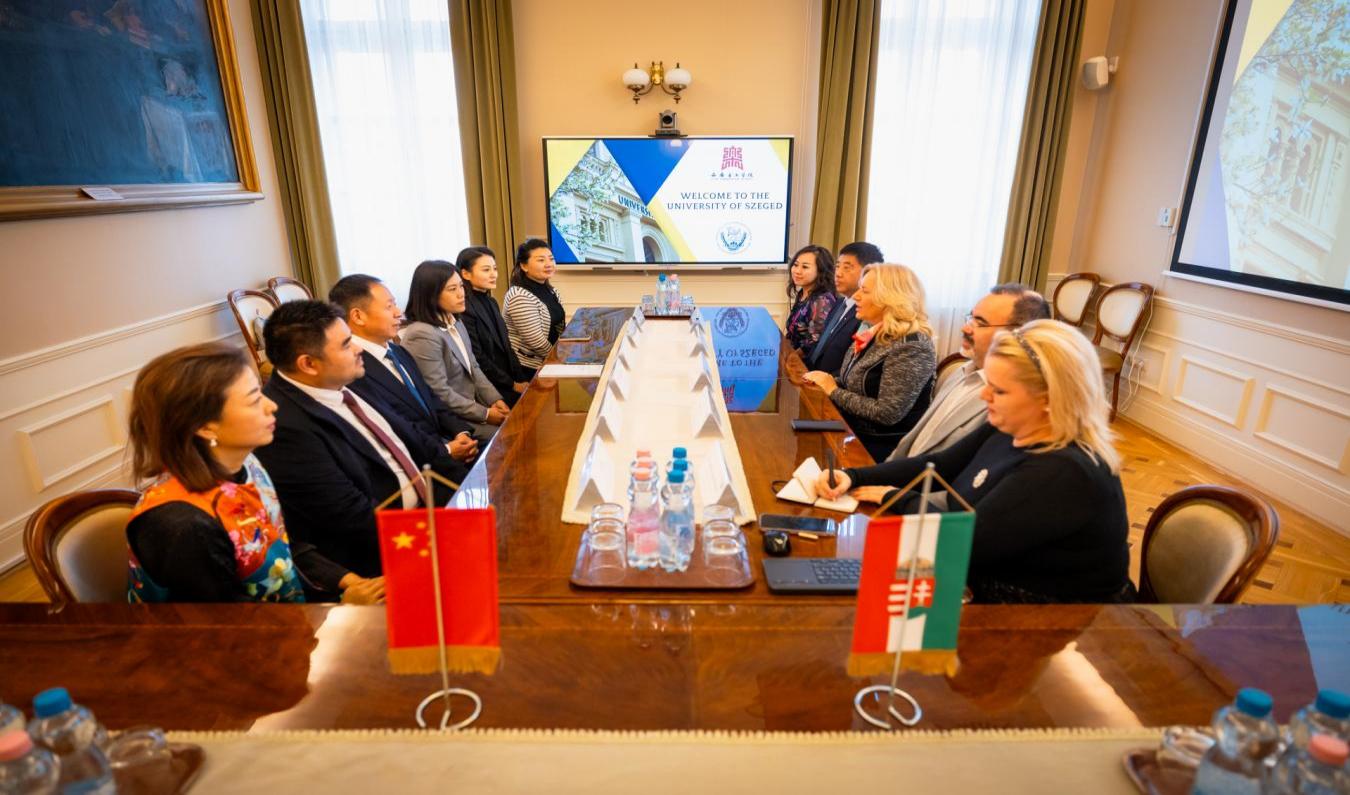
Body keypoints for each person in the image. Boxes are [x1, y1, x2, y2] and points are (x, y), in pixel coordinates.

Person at [816, 319, 1134, 604]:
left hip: (1049, 618)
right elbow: (939, 464)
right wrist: (855, 476)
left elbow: (962, 544)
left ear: (1049, 399)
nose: (984, 396)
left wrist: (894, 497)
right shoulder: (1012, 426)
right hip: (981, 582)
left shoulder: (1062, 470)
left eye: (999, 390)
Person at [125, 342, 384, 604]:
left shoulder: (248, 465)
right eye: (254, 399)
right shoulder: (183, 524)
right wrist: (342, 606)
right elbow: (224, 624)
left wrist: (346, 580)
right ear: (205, 427)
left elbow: (279, 544)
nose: (271, 405)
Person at [254, 300, 466, 582]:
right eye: (345, 344)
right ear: (308, 364)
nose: (358, 348)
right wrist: (443, 537)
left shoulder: (345, 378)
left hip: (438, 506)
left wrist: (470, 490)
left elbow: (415, 439)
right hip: (391, 551)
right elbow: (352, 518)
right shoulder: (284, 427)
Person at [886, 283, 1050, 460]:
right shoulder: (961, 371)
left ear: (1017, 333)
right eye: (971, 318)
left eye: (980, 322)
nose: (965, 328)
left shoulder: (1015, 401)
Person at [328, 274, 478, 464]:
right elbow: (395, 427)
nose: (398, 312)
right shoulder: (353, 369)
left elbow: (431, 399)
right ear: (358, 316)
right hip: (421, 463)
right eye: (389, 306)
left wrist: (460, 431)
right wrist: (446, 451)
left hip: (447, 446)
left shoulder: (398, 351)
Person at [802, 264, 936, 461]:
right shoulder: (874, 331)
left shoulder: (912, 346)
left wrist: (833, 390)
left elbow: (887, 413)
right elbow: (852, 381)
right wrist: (825, 380)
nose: (856, 296)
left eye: (864, 291)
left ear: (889, 298)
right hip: (852, 429)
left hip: (881, 447)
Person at [400, 260, 510, 444]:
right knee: (512, 436)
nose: (461, 294)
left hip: (473, 406)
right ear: (430, 295)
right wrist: (485, 414)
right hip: (453, 420)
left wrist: (495, 400)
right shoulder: (422, 334)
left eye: (461, 286)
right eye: (452, 289)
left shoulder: (456, 321)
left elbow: (474, 367)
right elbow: (440, 393)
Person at [456, 246, 531, 407]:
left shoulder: (491, 301)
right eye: (486, 270)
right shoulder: (464, 308)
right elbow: (478, 357)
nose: (493, 274)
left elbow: (507, 346)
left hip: (508, 380)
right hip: (489, 387)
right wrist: (512, 384)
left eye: (495, 269)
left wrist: (521, 379)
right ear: (465, 274)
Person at [804, 241, 884, 375]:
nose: (838, 273)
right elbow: (821, 345)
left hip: (832, 383)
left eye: (847, 268)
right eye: (837, 266)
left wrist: (827, 380)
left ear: (868, 272)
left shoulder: (867, 314)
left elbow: (855, 365)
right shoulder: (839, 303)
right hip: (812, 375)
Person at [503, 239, 566, 375]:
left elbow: (559, 326)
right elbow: (536, 342)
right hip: (529, 365)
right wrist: (559, 358)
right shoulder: (519, 295)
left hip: (550, 359)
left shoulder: (551, 290)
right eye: (541, 260)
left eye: (551, 259)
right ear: (524, 266)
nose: (548, 264)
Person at [783, 244, 839, 354]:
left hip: (803, 361)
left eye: (805, 267)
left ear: (821, 270)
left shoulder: (823, 300)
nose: (797, 271)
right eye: (795, 265)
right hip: (791, 354)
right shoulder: (802, 293)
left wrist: (789, 358)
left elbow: (814, 342)